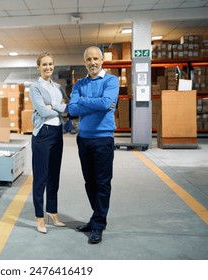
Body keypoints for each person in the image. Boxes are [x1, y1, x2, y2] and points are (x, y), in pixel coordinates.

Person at [68, 46, 119, 244]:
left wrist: (84, 103)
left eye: (96, 58)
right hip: (84, 138)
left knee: (102, 182)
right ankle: (97, 217)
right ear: (85, 62)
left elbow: (107, 103)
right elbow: (72, 109)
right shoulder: (79, 84)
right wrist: (96, 103)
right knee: (89, 182)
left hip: (103, 139)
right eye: (88, 59)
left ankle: (98, 223)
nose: (92, 62)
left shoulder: (111, 80)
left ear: (102, 60)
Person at [29, 52, 68, 234]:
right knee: (41, 178)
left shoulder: (58, 87)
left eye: (50, 64)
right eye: (44, 64)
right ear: (38, 67)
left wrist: (54, 108)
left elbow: (67, 107)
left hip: (57, 132)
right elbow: (43, 113)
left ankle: (52, 212)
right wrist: (55, 109)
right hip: (42, 134)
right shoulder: (35, 88)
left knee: (54, 176)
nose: (48, 68)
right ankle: (39, 217)